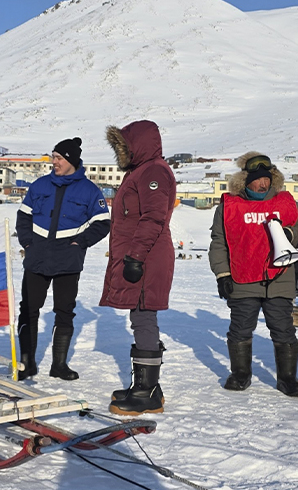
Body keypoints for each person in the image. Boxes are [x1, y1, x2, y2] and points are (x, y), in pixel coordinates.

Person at [208, 152, 298, 396]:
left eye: (267, 179)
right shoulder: (229, 206)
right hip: (243, 276)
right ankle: (240, 374)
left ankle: (288, 378)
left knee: (284, 329)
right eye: (258, 180)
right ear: (245, 181)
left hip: (279, 276)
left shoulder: (286, 202)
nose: (263, 184)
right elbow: (219, 242)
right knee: (240, 327)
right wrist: (222, 274)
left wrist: (289, 234)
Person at [15, 137, 110, 381]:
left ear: (71, 160)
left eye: (58, 158)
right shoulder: (40, 185)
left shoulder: (90, 190)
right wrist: (28, 243)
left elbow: (102, 223)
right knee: (28, 310)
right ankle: (27, 364)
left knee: (64, 312)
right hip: (37, 257)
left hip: (68, 259)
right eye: (53, 157)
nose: (54, 162)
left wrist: (80, 243)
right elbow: (23, 216)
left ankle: (59, 365)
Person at [100, 120, 176, 415]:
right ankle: (146, 386)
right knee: (140, 315)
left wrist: (135, 256)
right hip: (142, 254)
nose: (122, 152)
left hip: (147, 256)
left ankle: (147, 392)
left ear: (139, 145)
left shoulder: (153, 171)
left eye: (125, 146)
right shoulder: (142, 171)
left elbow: (154, 217)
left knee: (144, 316)